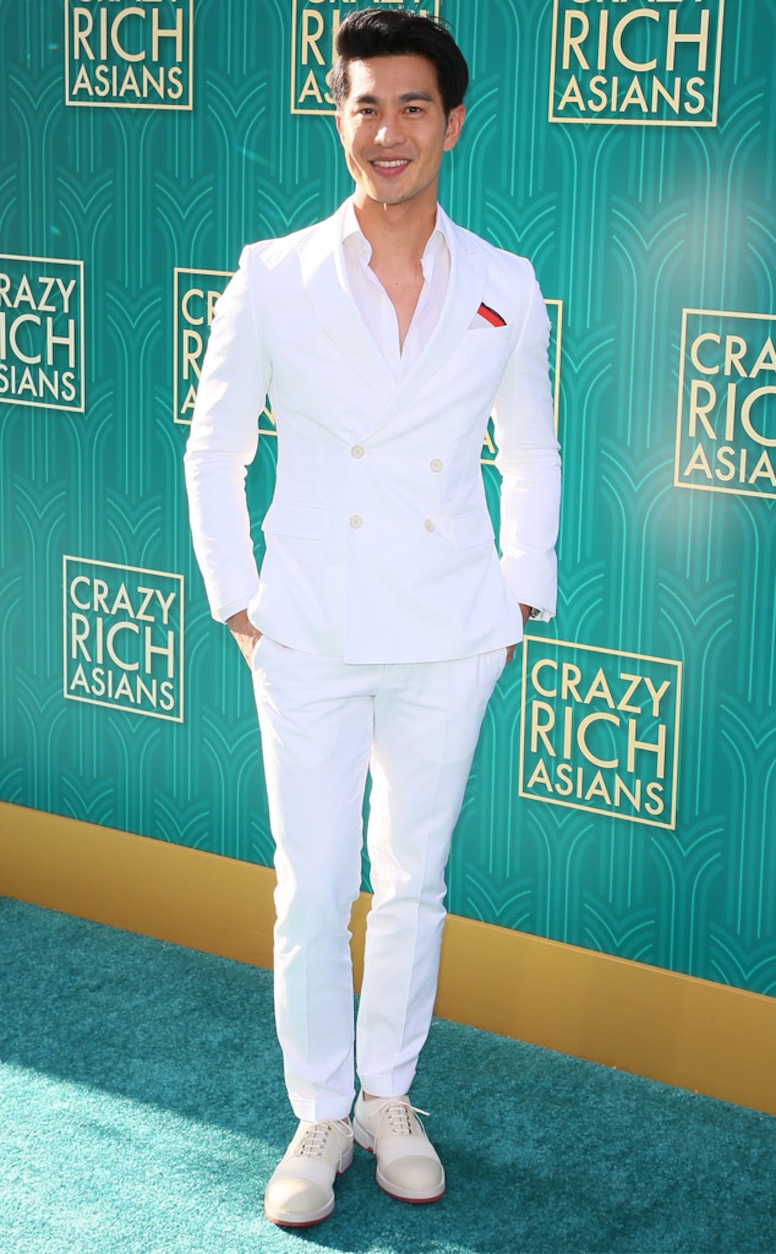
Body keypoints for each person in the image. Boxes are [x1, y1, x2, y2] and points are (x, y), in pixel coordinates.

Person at [184, 8, 560, 1229]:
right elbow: (215, 447)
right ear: (337, 117)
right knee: (311, 884)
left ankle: (389, 1098)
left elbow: (530, 450)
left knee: (411, 882)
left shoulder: (503, 284)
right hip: (306, 627)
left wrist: (517, 597)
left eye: (410, 106)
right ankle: (318, 1113)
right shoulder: (272, 274)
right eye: (363, 105)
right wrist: (239, 602)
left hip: (449, 629)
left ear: (449, 125)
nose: (385, 130)